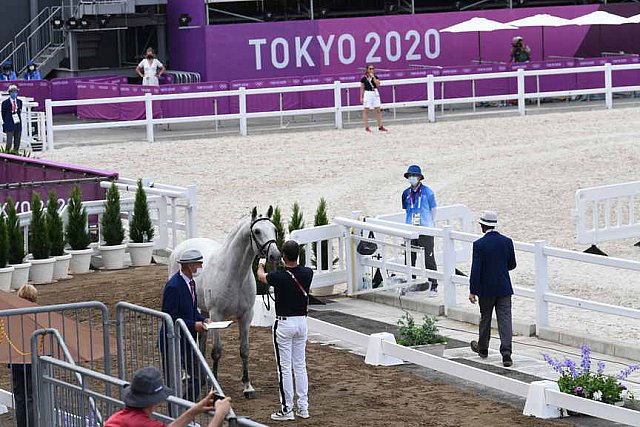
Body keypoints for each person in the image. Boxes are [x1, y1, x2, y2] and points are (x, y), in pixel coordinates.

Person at [257, 240, 312, 421]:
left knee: (284, 368)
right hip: (302, 322)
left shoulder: (279, 276)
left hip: (284, 324)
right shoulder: (307, 273)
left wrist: (261, 262)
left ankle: (287, 408)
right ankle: (303, 407)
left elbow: (261, 276)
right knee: (300, 365)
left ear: (284, 256)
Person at [104, 366, 232, 427]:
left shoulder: (116, 419)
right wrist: (220, 414)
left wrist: (194, 410)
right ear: (154, 400)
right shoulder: (145, 424)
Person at [468, 211, 517, 368]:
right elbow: (512, 265)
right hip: (504, 287)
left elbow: (476, 269)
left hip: (486, 288)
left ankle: (483, 348)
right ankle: (507, 353)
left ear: (483, 226)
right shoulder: (507, 242)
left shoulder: (479, 245)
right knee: (505, 320)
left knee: (485, 318)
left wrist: (473, 290)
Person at [161, 249, 210, 401]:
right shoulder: (174, 286)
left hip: (186, 341)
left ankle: (185, 407)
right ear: (189, 266)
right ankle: (177, 415)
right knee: (171, 384)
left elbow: (190, 310)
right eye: (199, 264)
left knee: (200, 377)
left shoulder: (191, 283)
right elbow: (170, 317)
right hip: (173, 341)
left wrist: (203, 319)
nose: (201, 267)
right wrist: (194, 325)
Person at [401, 165, 438, 296]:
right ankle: (411, 283)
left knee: (429, 258)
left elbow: (433, 210)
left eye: (414, 176)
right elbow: (407, 209)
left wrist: (429, 225)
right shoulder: (406, 193)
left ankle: (433, 285)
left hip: (425, 229)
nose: (412, 178)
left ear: (419, 177)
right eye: (410, 176)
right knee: (410, 257)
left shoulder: (428, 192)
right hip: (410, 229)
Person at [10, 285, 38, 427]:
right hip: (31, 362)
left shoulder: (12, 317)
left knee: (20, 397)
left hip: (16, 362)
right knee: (31, 397)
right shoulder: (38, 316)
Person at [359, 64, 387, 133]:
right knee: (366, 110)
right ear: (367, 70)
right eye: (370, 69)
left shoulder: (375, 77)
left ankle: (380, 126)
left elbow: (378, 84)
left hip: (375, 92)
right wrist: (361, 97)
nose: (372, 70)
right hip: (367, 93)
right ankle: (366, 127)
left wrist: (373, 77)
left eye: (373, 69)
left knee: (378, 109)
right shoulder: (364, 78)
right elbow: (362, 88)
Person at [2, 84, 22, 151]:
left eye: (15, 92)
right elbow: (3, 114)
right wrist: (6, 122)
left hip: (17, 123)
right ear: (9, 93)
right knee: (9, 142)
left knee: (17, 142)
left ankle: (15, 155)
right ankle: (6, 155)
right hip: (9, 123)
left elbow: (19, 112)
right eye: (12, 92)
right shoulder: (5, 103)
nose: (14, 93)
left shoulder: (19, 102)